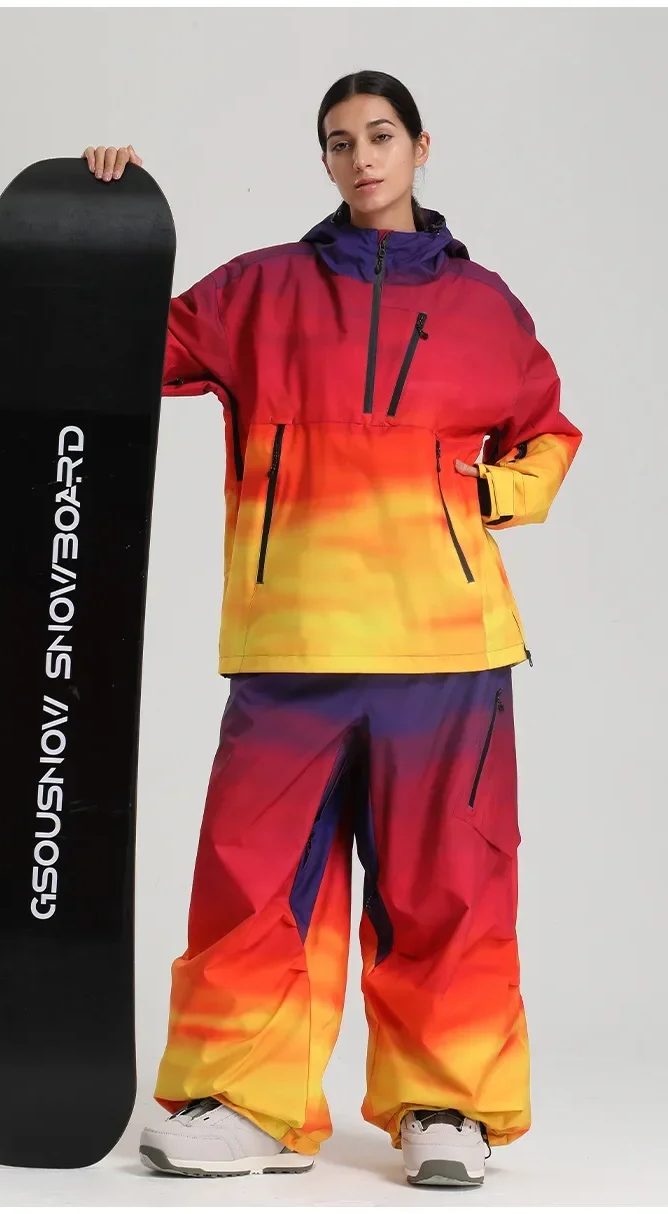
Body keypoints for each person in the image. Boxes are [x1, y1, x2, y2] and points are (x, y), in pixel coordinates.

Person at [83, 69, 581, 1188]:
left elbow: (546, 433)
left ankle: (447, 1106)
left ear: (419, 147)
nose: (361, 158)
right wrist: (110, 222)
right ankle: (241, 1100)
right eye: (339, 142)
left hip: (445, 647)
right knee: (254, 880)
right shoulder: (259, 289)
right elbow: (127, 350)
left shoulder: (485, 304)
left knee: (447, 882)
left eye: (380, 136)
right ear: (324, 160)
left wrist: (485, 496)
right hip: (291, 645)